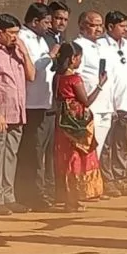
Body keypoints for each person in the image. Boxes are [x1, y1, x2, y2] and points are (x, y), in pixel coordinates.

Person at [0, 14, 35, 214]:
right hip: (0, 113)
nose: (16, 37)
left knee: (11, 156)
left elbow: (31, 76)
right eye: (12, 33)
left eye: (17, 33)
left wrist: (24, 52)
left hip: (18, 112)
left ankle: (9, 196)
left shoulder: (18, 52)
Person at [54, 42, 107, 206]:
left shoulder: (57, 77)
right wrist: (100, 85)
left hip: (63, 119)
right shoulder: (74, 79)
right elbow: (86, 101)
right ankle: (76, 195)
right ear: (73, 59)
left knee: (65, 156)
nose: (80, 61)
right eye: (79, 58)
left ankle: (66, 196)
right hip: (77, 120)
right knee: (78, 155)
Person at [17, 3, 57, 211]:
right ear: (34, 22)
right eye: (46, 22)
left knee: (42, 151)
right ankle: (31, 194)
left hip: (45, 101)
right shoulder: (22, 38)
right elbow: (30, 70)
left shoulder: (42, 38)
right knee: (32, 152)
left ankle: (41, 191)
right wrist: (50, 56)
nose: (50, 26)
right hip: (30, 103)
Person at [99, 10, 127, 197]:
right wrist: (108, 102)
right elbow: (103, 76)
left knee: (122, 143)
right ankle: (107, 180)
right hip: (108, 103)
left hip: (126, 102)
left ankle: (119, 177)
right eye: (121, 26)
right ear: (110, 27)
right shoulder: (101, 46)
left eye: (126, 25)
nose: (125, 29)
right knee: (107, 143)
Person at [74, 11, 116, 161]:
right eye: (93, 25)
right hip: (89, 107)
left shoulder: (102, 46)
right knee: (87, 151)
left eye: (100, 25)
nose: (98, 29)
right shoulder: (78, 46)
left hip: (105, 106)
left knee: (97, 152)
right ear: (82, 26)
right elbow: (75, 76)